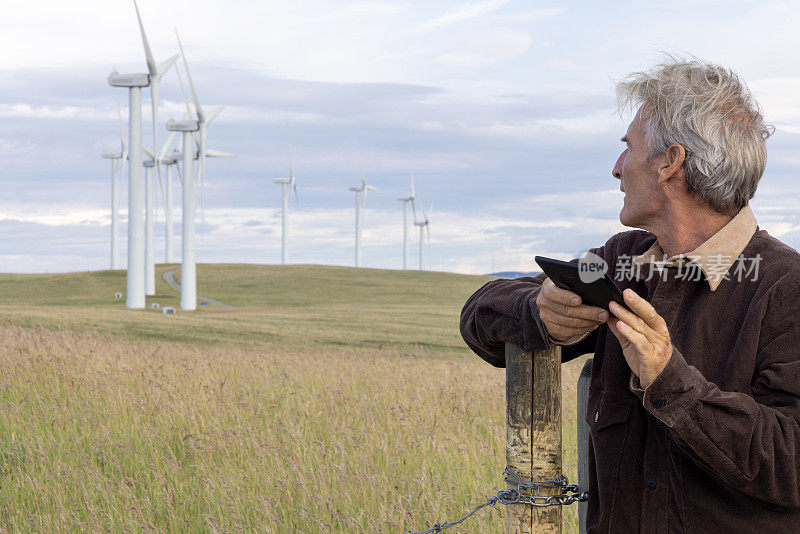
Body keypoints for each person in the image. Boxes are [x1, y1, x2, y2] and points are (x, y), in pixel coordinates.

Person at [460, 58, 800, 533]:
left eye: (627, 148)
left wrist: (670, 382)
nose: (616, 168)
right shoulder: (623, 260)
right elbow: (479, 315)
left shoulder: (788, 287)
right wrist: (539, 311)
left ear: (670, 162)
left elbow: (791, 463)